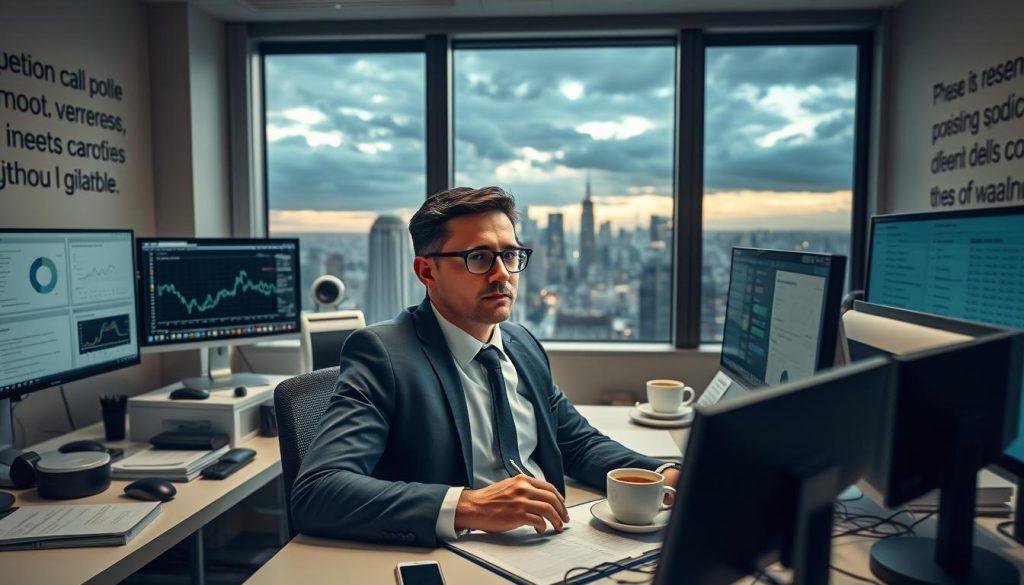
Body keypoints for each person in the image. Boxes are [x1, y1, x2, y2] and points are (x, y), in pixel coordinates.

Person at [291, 186, 680, 547]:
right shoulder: (383, 354)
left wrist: (665, 474)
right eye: (478, 258)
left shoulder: (521, 343)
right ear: (427, 272)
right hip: (460, 551)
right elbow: (318, 492)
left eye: (509, 256)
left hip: (555, 538)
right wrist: (470, 506)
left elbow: (576, 442)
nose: (502, 275)